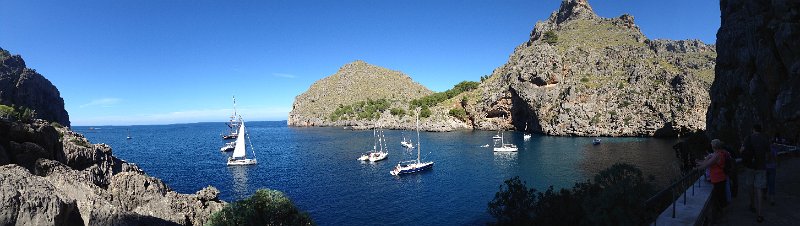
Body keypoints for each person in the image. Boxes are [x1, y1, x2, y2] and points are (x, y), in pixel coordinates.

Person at [740, 124, 769, 223]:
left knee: (750, 186)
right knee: (759, 189)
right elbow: (768, 153)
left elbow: (741, 150)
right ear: (760, 130)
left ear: (753, 129)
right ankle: (759, 214)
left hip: (750, 167)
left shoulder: (748, 138)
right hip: (761, 167)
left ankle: (752, 204)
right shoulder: (765, 138)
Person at [695, 139, 729, 222]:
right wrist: (699, 162)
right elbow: (707, 162)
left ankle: (723, 218)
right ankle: (722, 215)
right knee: (721, 197)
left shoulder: (717, 155)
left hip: (718, 179)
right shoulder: (722, 153)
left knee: (720, 199)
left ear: (714, 146)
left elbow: (707, 165)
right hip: (721, 178)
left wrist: (696, 169)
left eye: (711, 145)